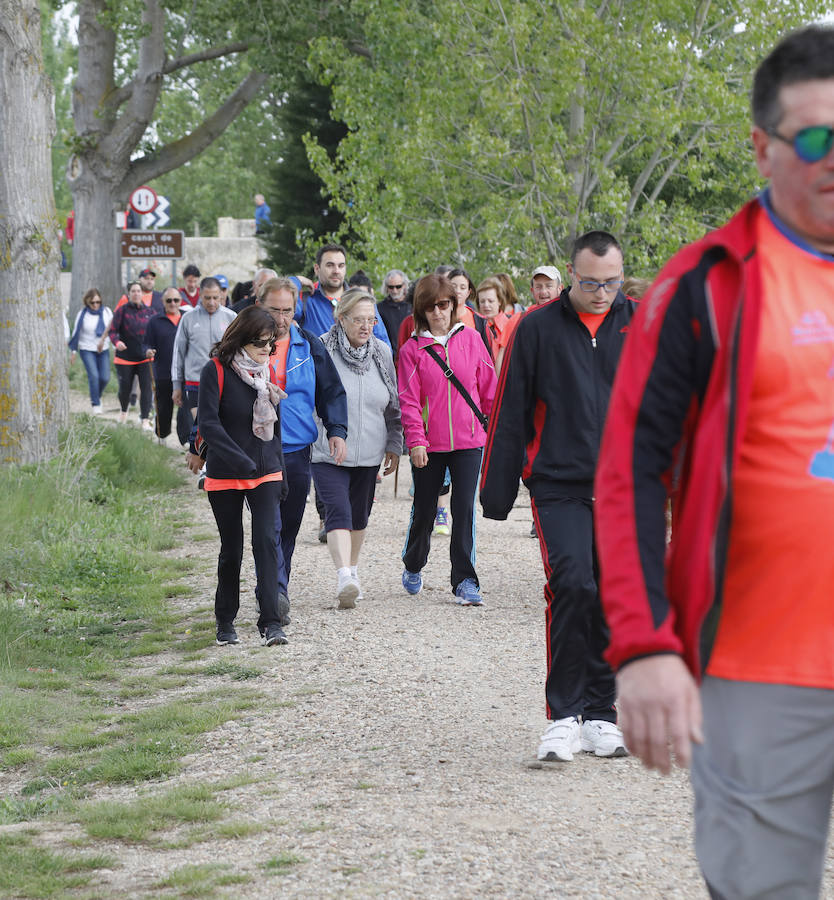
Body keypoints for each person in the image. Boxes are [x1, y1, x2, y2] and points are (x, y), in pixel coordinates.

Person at [594, 25, 834, 899]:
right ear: (762, 146)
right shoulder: (704, 285)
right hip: (756, 669)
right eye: (817, 137)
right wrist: (644, 645)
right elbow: (626, 474)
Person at [480, 231, 635, 761]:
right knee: (572, 583)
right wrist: (496, 489)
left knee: (611, 594)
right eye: (591, 282)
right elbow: (511, 406)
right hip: (559, 484)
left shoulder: (641, 325)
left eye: (610, 283)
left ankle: (601, 714)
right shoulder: (537, 328)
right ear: (572, 273)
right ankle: (564, 716)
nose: (601, 292)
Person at [399, 274, 497, 606]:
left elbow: (489, 391)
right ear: (421, 311)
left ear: (454, 306)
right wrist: (415, 441)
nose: (438, 312)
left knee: (464, 509)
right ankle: (413, 562)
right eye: (431, 307)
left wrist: (492, 434)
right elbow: (409, 400)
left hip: (470, 441)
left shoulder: (471, 339)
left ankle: (465, 580)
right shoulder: (411, 350)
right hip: (429, 444)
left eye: (444, 305)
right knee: (425, 509)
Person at [195, 306, 289, 647]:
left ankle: (271, 622)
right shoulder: (215, 370)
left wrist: (282, 471)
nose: (267, 350)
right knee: (231, 548)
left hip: (266, 472)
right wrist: (238, 459)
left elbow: (276, 427)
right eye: (260, 343)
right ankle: (225, 621)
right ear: (242, 339)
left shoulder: (266, 374)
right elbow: (208, 423)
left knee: (266, 543)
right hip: (226, 473)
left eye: (271, 344)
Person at [255, 277, 348, 609]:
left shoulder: (308, 345)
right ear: (259, 306)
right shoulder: (244, 345)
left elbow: (330, 391)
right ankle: (274, 594)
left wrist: (336, 429)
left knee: (289, 525)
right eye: (273, 310)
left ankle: (278, 586)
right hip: (258, 449)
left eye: (287, 311)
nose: (280, 319)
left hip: (296, 448)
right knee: (269, 526)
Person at [311, 288, 402, 608]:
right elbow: (310, 396)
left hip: (370, 451)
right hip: (327, 449)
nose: (366, 326)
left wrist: (394, 443)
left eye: (371, 320)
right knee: (338, 510)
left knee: (360, 516)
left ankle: (353, 571)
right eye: (359, 320)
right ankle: (343, 576)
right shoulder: (322, 348)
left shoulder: (381, 351)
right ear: (341, 319)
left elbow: (393, 403)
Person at [172, 277, 237, 452]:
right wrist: (177, 385)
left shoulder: (231, 317)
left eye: (215, 297)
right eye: (207, 298)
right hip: (195, 382)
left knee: (220, 424)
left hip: (223, 381)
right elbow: (178, 353)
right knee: (202, 424)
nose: (211, 302)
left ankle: (213, 463)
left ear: (222, 295)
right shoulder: (188, 318)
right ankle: (205, 464)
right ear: (200, 295)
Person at [295, 244, 391, 348]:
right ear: (317, 268)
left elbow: (383, 342)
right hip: (319, 362)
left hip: (358, 363)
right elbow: (278, 310)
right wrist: (296, 281)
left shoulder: (361, 300)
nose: (336, 271)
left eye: (341, 266)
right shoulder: (304, 300)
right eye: (330, 265)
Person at [108, 281, 157, 428]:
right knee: (125, 390)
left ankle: (145, 419)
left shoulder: (150, 312)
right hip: (125, 358)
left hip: (145, 358)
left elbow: (155, 334)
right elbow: (112, 331)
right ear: (128, 294)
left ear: (142, 293)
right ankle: (124, 412)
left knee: (146, 389)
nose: (136, 294)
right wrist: (117, 343)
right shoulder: (121, 311)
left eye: (138, 291)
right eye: (133, 291)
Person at [143, 287, 182, 441]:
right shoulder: (154, 321)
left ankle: (186, 440)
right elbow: (146, 344)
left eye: (176, 300)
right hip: (163, 372)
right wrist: (148, 351)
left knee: (185, 409)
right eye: (169, 300)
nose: (173, 303)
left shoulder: (187, 318)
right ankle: (162, 436)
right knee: (163, 407)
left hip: (184, 373)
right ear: (163, 302)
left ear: (180, 301)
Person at [68, 288, 112, 414]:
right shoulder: (82, 314)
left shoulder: (107, 312)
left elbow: (113, 330)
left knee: (105, 378)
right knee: (94, 376)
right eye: (92, 303)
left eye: (98, 302)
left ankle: (96, 395)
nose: (96, 305)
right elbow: (76, 333)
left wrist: (116, 346)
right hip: (87, 349)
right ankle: (96, 404)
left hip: (103, 349)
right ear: (87, 302)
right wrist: (73, 352)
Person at [475, 277, 510, 359]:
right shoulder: (474, 326)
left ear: (499, 301)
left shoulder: (511, 324)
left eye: (490, 301)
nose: (486, 305)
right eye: (482, 301)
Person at [377, 269, 412, 350]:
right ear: (386, 287)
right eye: (391, 287)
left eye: (398, 286)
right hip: (389, 354)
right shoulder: (380, 308)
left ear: (404, 285)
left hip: (410, 353)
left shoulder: (412, 306)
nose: (394, 290)